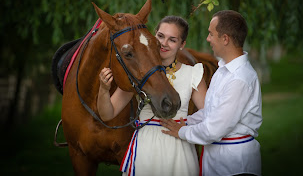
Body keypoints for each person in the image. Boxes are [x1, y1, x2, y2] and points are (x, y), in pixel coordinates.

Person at [97, 15, 208, 176]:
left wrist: (187, 129)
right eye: (161, 36)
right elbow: (107, 114)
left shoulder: (192, 74)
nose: (164, 43)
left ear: (182, 44)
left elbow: (209, 115)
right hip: (146, 148)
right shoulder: (138, 73)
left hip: (179, 148)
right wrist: (103, 89)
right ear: (153, 36)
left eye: (172, 40)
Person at [160, 10, 263, 176]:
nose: (208, 39)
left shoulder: (240, 79)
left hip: (234, 163)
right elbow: (210, 112)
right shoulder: (223, 70)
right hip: (217, 158)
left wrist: (181, 131)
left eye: (211, 34)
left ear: (225, 39)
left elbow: (214, 129)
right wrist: (184, 121)